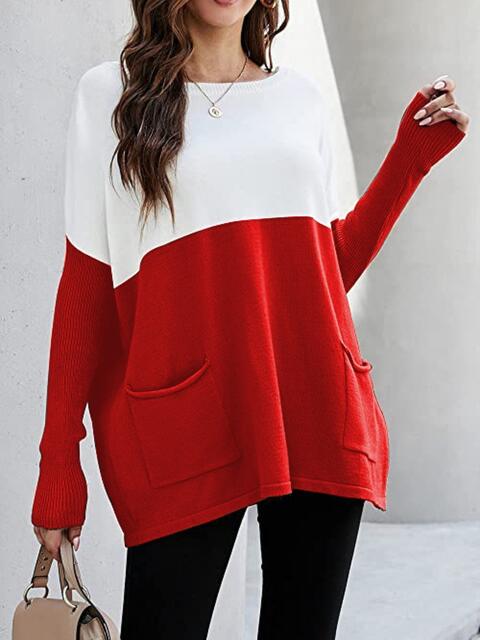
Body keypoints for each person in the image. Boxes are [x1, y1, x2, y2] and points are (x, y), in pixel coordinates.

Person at [30, 0, 469, 637]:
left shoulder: (300, 101)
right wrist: (58, 463)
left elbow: (320, 276)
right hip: (184, 429)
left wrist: (409, 159)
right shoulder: (109, 98)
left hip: (315, 408)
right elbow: (84, 291)